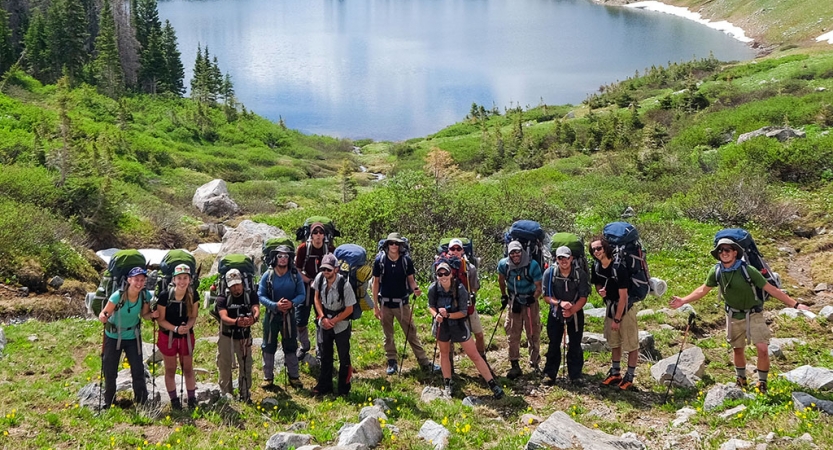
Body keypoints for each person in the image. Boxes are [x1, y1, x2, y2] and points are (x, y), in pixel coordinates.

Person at [670, 238, 810, 394]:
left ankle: (762, 383)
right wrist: (683, 300)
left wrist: (795, 305)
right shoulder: (716, 271)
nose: (723, 253)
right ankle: (741, 379)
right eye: (721, 250)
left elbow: (772, 289)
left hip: (754, 313)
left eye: (727, 250)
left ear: (735, 253)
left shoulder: (748, 270)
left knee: (762, 349)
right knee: (738, 349)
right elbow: (703, 290)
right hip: (733, 314)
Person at [429, 261, 504, 399]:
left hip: (458, 325)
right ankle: (447, 383)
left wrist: (448, 315)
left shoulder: (460, 288)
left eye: (446, 273)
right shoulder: (433, 288)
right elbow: (431, 306)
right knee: (444, 353)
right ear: (437, 275)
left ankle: (492, 384)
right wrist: (436, 315)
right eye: (440, 274)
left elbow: (463, 312)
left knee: (474, 355)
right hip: (443, 325)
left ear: (451, 274)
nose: (443, 276)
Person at [372, 232, 437, 375]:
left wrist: (416, 289)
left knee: (411, 333)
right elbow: (375, 283)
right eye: (391, 243)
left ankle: (424, 361)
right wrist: (375, 306)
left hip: (402, 304)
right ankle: (392, 361)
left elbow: (411, 280)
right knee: (387, 335)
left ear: (401, 245)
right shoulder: (380, 261)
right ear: (387, 245)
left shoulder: (406, 261)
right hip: (385, 304)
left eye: (397, 243)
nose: (394, 246)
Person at [98, 266, 156, 408]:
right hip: (113, 336)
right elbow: (103, 314)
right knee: (110, 370)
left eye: (142, 280)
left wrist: (153, 316)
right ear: (129, 280)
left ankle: (142, 401)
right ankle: (108, 401)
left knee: (138, 370)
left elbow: (144, 315)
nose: (139, 283)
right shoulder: (117, 296)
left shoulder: (145, 295)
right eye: (136, 279)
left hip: (133, 337)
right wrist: (103, 317)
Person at [590, 237, 638, 391]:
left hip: (625, 309)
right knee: (614, 342)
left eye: (599, 248)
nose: (596, 252)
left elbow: (623, 297)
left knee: (631, 344)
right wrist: (600, 292)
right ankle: (616, 373)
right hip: (610, 307)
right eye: (593, 250)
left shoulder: (619, 267)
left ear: (605, 248)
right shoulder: (596, 267)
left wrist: (617, 319)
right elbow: (597, 283)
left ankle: (629, 376)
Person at [258, 244, 306, 389]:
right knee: (268, 345)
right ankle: (268, 377)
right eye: (280, 256)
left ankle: (294, 376)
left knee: (291, 345)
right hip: (271, 315)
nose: (283, 259)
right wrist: (274, 305)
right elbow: (260, 295)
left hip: (289, 315)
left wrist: (291, 303)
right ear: (275, 258)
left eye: (286, 256)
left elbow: (302, 295)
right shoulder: (268, 274)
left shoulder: (294, 274)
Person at [542, 246, 589, 384]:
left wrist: (572, 310)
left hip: (575, 313)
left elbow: (583, 297)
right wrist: (560, 303)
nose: (564, 261)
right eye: (560, 258)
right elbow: (546, 297)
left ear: (572, 258)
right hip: (556, 312)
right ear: (556, 259)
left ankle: (575, 375)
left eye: (566, 257)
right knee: (554, 343)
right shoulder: (549, 273)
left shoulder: (580, 274)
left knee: (575, 343)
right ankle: (550, 374)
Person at [497, 240, 543, 379]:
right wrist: (504, 296)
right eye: (512, 252)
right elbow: (501, 280)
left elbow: (539, 287)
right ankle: (514, 364)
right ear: (508, 253)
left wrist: (533, 298)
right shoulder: (503, 265)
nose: (515, 255)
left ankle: (534, 363)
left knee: (533, 331)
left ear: (521, 251)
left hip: (530, 301)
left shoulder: (532, 265)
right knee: (512, 332)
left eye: (517, 251)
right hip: (514, 301)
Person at [311, 254, 355, 397]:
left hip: (341, 323)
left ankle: (343, 388)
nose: (326, 272)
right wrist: (322, 317)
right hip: (324, 321)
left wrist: (334, 321)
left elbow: (349, 309)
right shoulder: (319, 278)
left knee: (343, 357)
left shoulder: (345, 285)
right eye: (323, 269)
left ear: (336, 269)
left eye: (329, 269)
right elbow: (316, 298)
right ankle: (325, 385)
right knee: (325, 355)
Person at [157, 263, 199, 409]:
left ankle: (192, 399)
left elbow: (193, 316)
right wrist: (176, 329)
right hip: (167, 336)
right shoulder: (164, 296)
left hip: (186, 336)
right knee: (170, 369)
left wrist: (188, 326)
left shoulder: (193, 295)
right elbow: (160, 320)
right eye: (179, 278)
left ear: (190, 279)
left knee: (188, 368)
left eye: (185, 278)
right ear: (174, 279)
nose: (182, 281)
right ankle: (174, 400)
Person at [216, 269, 259, 402]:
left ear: (242, 283)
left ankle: (245, 394)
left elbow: (256, 309)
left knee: (246, 365)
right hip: (226, 335)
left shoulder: (250, 295)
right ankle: (226, 394)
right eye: (233, 285)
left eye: (238, 284)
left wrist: (253, 318)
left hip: (244, 336)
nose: (236, 288)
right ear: (228, 285)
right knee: (225, 365)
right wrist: (236, 322)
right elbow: (223, 317)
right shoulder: (222, 298)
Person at [295, 222, 335, 362]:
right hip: (305, 288)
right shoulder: (303, 249)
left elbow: (334, 269)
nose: (318, 235)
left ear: (324, 235)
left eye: (321, 233)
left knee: (322, 318)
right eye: (315, 233)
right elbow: (297, 270)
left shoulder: (329, 249)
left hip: (324, 288)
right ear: (310, 235)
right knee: (300, 320)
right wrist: (309, 281)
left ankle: (320, 347)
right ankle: (304, 345)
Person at [444, 239, 486, 357]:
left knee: (479, 334)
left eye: (458, 249)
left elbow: (475, 287)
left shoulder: (469, 267)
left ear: (462, 250)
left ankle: (482, 357)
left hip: (468, 306)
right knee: (449, 338)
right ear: (449, 250)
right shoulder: (443, 266)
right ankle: (450, 365)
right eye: (453, 249)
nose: (455, 251)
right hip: (449, 307)